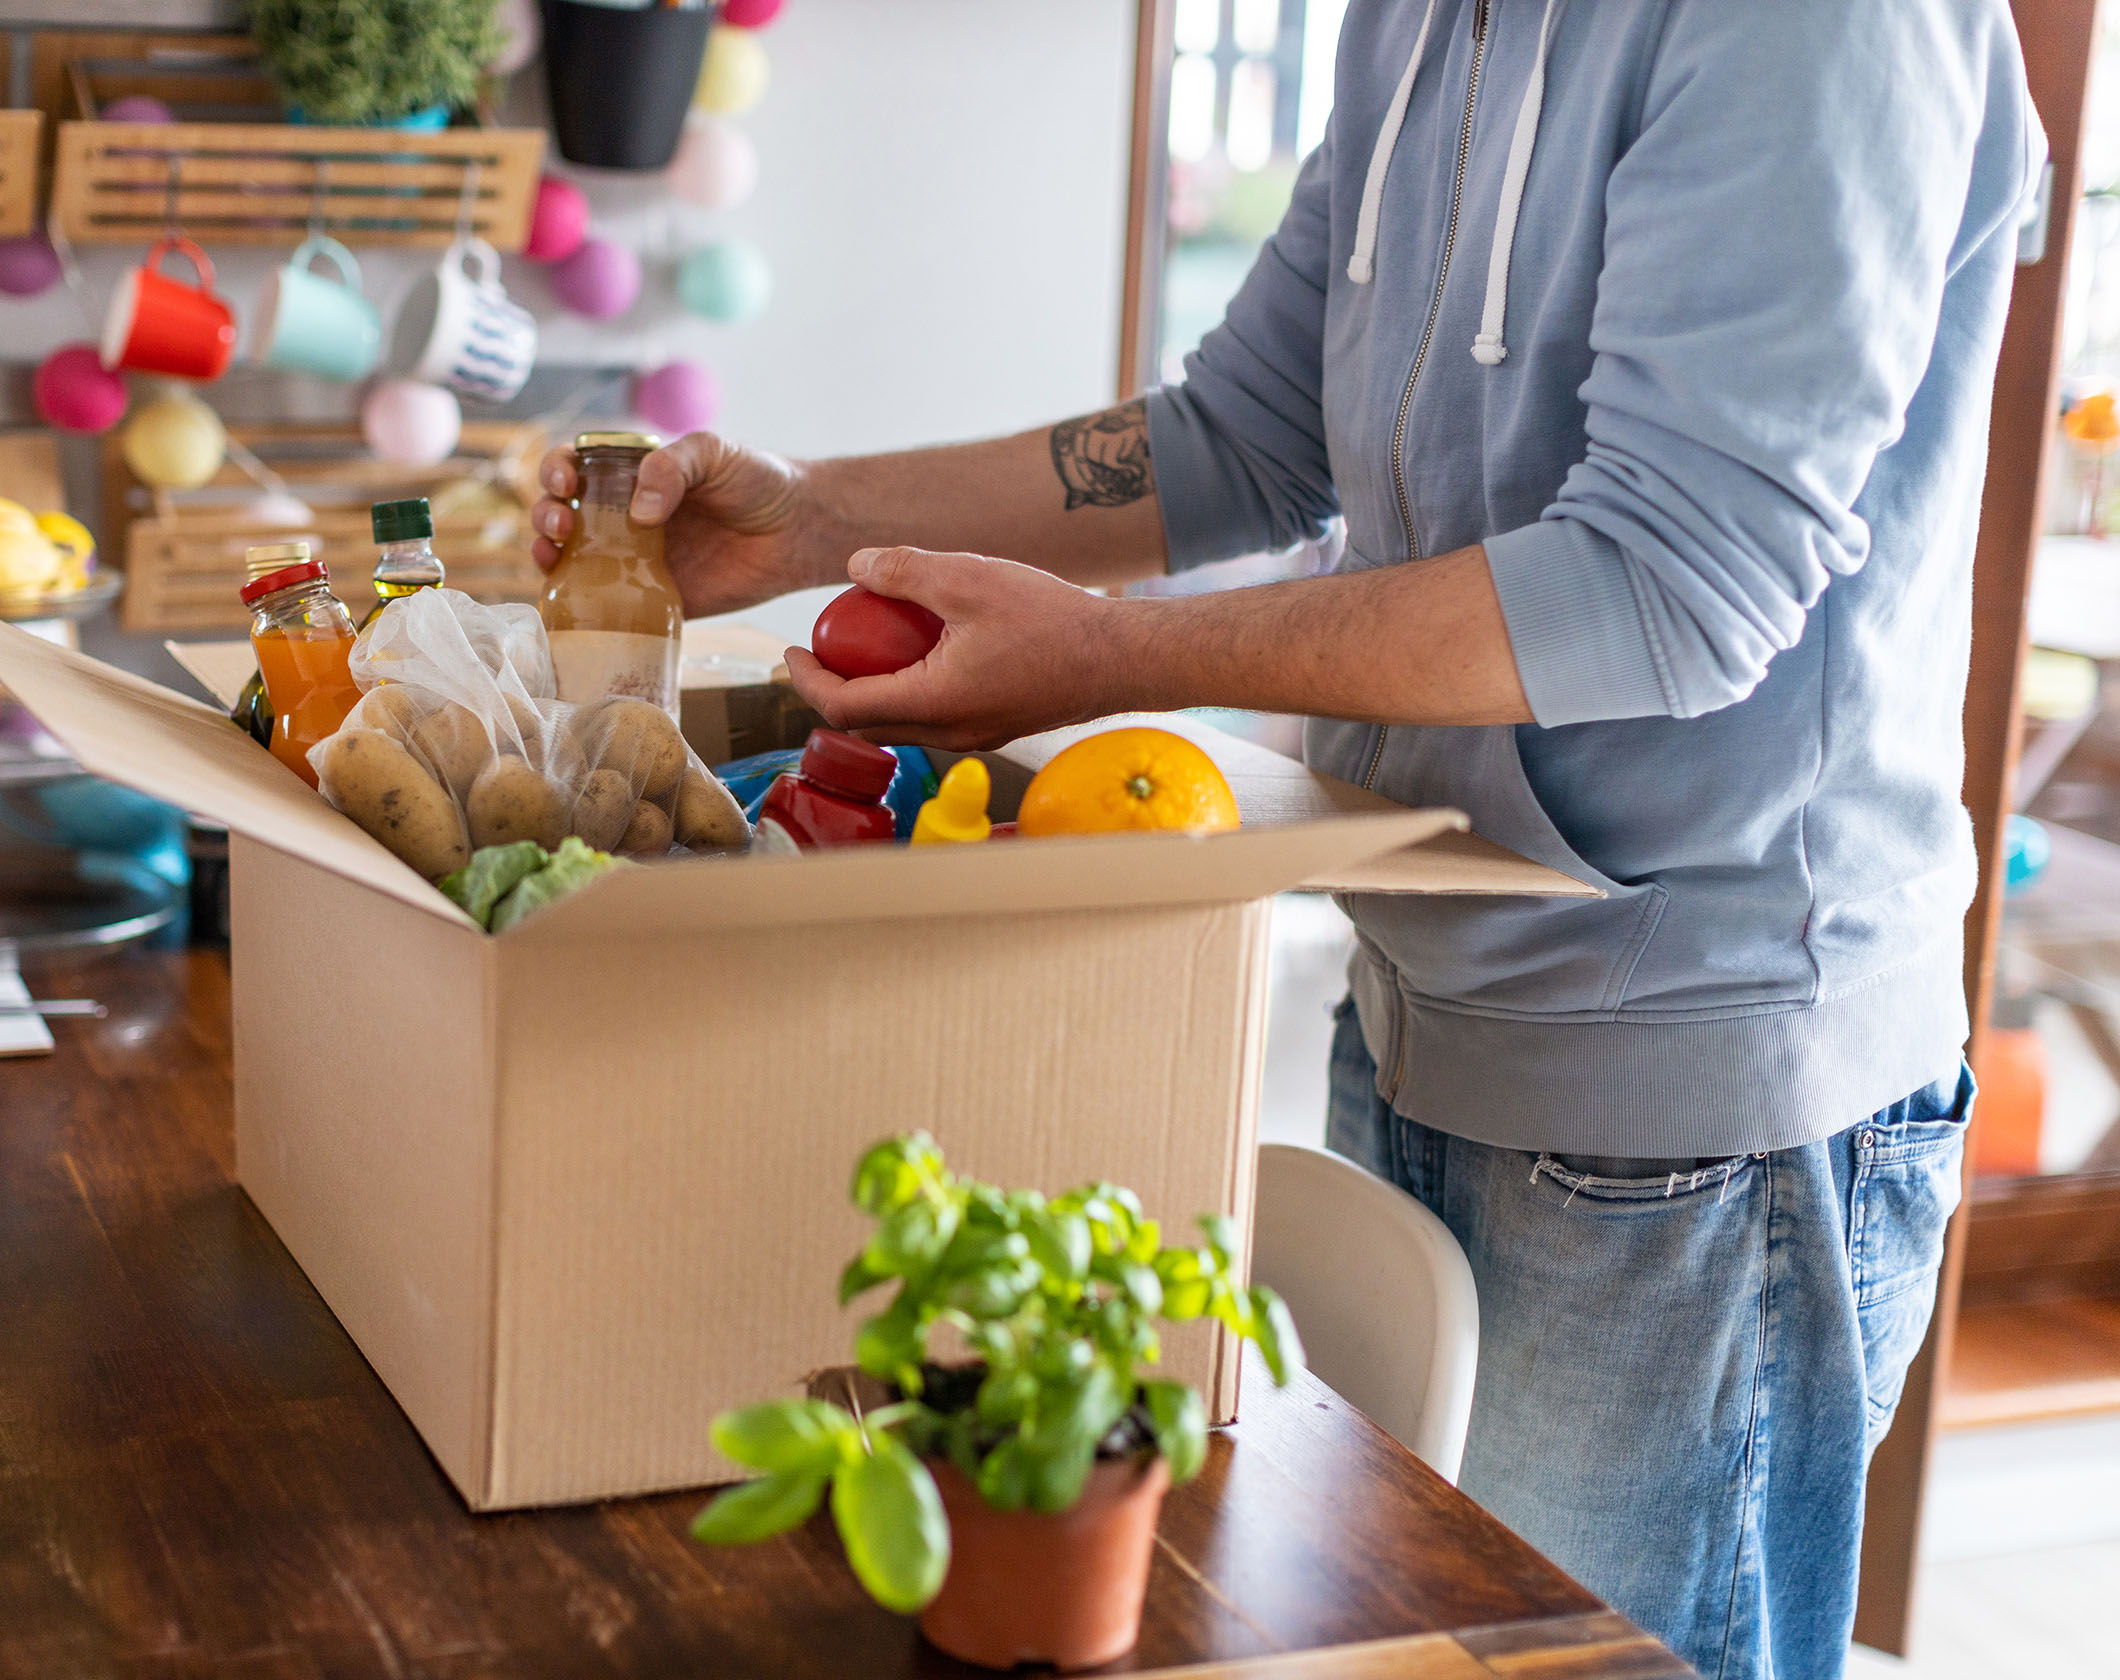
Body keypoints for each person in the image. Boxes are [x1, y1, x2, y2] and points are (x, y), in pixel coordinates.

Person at [531, 5, 2039, 1676]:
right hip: (1425, 984)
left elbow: (1672, 583)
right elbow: (1243, 433)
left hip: (1695, 1072)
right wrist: (812, 522)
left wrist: (1105, 665)